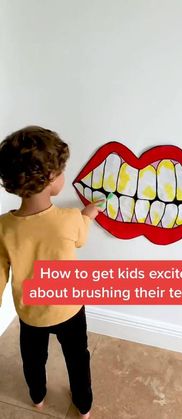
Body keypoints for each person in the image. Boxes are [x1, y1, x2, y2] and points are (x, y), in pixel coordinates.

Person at [0, 126, 102, 418]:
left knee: (33, 359)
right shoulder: (69, 220)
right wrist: (88, 215)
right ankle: (84, 406)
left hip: (31, 313)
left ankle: (38, 398)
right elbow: (79, 237)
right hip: (69, 308)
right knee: (77, 358)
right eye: (61, 170)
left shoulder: (3, 228)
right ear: (49, 180)